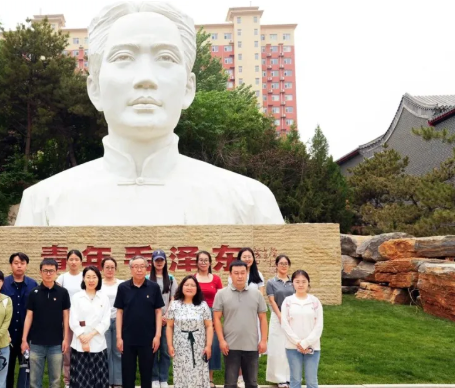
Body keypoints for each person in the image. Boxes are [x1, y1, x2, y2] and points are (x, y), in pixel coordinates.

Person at [14, 2, 284, 227]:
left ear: (188, 88)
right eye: (123, 57)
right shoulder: (43, 205)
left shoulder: (250, 203)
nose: (146, 78)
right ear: (94, 89)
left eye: (166, 58)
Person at [213, 260, 269, 388]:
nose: (239, 276)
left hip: (252, 345)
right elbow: (216, 318)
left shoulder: (256, 294)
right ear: (230, 274)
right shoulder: (221, 294)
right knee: (230, 381)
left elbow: (263, 318)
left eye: (242, 273)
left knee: (251, 381)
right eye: (236, 273)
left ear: (247, 274)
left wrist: (263, 340)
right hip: (230, 346)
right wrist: (221, 340)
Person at [115, 255, 165, 388]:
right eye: (135, 266)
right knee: (128, 375)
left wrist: (157, 335)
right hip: (127, 339)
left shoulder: (153, 287)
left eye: (141, 266)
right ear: (130, 269)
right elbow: (119, 312)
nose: (138, 269)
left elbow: (158, 312)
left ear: (146, 268)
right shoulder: (123, 288)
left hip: (148, 339)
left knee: (146, 374)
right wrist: (119, 337)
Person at [21, 259, 71, 388]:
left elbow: (66, 316)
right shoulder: (34, 293)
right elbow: (29, 316)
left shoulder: (63, 293)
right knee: (34, 380)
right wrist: (24, 339)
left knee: (55, 380)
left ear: (56, 272)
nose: (48, 273)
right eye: (45, 270)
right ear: (40, 272)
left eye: (51, 270)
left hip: (56, 343)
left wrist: (65, 338)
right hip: (36, 343)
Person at [166, 276, 213, 388]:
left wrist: (208, 345)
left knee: (198, 379)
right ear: (182, 287)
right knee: (184, 377)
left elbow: (209, 326)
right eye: (187, 284)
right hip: (180, 346)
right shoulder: (175, 305)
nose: (189, 287)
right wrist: (170, 344)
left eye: (193, 285)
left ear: (197, 289)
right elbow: (169, 326)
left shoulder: (203, 305)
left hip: (198, 347)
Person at [68, 266, 112, 388]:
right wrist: (83, 338)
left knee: (97, 380)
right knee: (83, 380)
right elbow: (73, 320)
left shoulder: (103, 297)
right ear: (83, 279)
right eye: (88, 277)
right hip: (80, 344)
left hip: (98, 343)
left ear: (98, 279)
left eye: (94, 277)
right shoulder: (77, 297)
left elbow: (105, 321)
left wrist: (91, 336)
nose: (91, 280)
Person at [281, 270, 324, 388]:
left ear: (308, 283)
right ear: (292, 283)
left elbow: (319, 326)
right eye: (297, 281)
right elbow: (285, 324)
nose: (300, 284)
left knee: (312, 381)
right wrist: (298, 342)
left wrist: (306, 343)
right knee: (295, 380)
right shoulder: (288, 302)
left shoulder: (315, 302)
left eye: (303, 281)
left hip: (312, 348)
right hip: (293, 348)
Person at [2, 252, 38, 388]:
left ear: (26, 265)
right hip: (7, 334)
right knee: (7, 368)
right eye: (16, 263)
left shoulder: (33, 285)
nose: (19, 266)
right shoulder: (4, 284)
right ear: (11, 265)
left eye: (22, 263)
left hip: (27, 335)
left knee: (28, 367)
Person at [228, 247, 265, 388]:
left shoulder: (258, 275)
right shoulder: (233, 274)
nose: (247, 259)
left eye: (250, 256)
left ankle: (251, 379)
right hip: (238, 314)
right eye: (244, 256)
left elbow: (261, 295)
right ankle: (239, 378)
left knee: (252, 348)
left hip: (253, 315)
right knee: (238, 346)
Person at [147, 249, 178, 388]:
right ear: (153, 262)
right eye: (157, 260)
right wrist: (158, 316)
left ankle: (163, 378)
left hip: (167, 319)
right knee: (153, 349)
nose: (159, 263)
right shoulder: (147, 278)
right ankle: (154, 378)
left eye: (161, 260)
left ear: (165, 262)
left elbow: (173, 298)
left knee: (165, 349)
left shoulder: (170, 279)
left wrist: (166, 315)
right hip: (151, 319)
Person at [194, 251, 223, 388]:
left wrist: (216, 319)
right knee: (197, 345)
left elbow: (221, 299)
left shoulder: (216, 279)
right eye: (201, 260)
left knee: (213, 345)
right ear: (197, 262)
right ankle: (198, 378)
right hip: (195, 314)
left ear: (210, 262)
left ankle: (210, 379)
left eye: (206, 260)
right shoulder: (193, 278)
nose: (203, 262)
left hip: (213, 313)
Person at [56, 249, 84, 388]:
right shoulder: (62, 278)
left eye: (76, 259)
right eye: (71, 259)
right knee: (67, 350)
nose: (73, 262)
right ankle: (67, 380)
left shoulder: (85, 276)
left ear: (81, 261)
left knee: (82, 349)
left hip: (83, 319)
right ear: (67, 261)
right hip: (66, 318)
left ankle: (81, 379)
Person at [265, 255, 294, 388]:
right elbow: (272, 301)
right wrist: (280, 316)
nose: (283, 266)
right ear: (276, 265)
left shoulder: (293, 282)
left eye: (286, 263)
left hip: (292, 317)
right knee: (277, 347)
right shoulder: (271, 282)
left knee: (290, 347)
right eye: (281, 263)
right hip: (278, 318)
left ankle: (290, 377)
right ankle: (278, 378)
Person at [100, 257, 124, 388]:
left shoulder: (121, 284)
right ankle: (107, 381)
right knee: (106, 351)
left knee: (118, 351)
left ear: (116, 269)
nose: (110, 270)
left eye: (112, 267)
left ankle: (118, 381)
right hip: (104, 321)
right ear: (102, 269)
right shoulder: (99, 284)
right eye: (107, 267)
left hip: (119, 320)